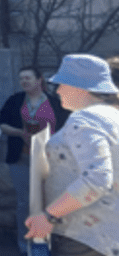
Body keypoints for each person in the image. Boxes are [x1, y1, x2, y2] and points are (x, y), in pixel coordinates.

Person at [24, 54, 119, 256]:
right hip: (106, 235)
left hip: (84, 236)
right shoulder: (113, 116)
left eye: (62, 84)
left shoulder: (85, 118)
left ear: (79, 86)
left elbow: (97, 178)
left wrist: (49, 216)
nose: (57, 91)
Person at [0, 66, 68, 256]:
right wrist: (19, 132)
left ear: (39, 80)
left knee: (49, 202)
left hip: (50, 161)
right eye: (21, 79)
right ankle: (25, 244)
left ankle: (45, 244)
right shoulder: (15, 101)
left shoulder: (56, 102)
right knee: (25, 203)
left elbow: (67, 130)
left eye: (28, 78)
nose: (24, 81)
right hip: (21, 157)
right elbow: (0, 124)